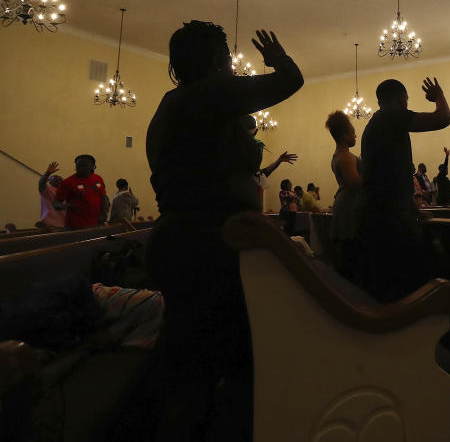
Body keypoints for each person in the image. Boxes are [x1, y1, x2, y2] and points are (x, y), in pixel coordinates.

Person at [146, 23, 303, 440]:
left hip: (180, 239)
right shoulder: (209, 93)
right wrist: (277, 58)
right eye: (227, 57)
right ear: (217, 60)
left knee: (190, 364)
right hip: (210, 245)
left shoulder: (171, 103)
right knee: (224, 365)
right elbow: (291, 80)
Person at [359, 78, 450, 302]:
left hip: (382, 214)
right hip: (389, 218)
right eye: (406, 99)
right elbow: (442, 119)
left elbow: (394, 176)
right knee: (403, 287)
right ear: (401, 98)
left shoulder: (378, 124)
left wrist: (415, 210)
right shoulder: (390, 118)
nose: (407, 103)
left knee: (394, 285)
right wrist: (439, 96)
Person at [326, 110, 362, 279]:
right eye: (353, 133)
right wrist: (374, 172)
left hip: (345, 202)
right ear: (344, 134)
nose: (356, 136)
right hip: (350, 205)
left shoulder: (338, 155)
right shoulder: (346, 156)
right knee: (351, 253)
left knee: (348, 252)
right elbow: (355, 183)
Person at [54, 155, 109, 229]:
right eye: (78, 165)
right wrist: (66, 206)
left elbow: (103, 197)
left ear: (92, 166)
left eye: (84, 166)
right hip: (75, 225)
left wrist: (104, 214)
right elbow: (56, 203)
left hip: (96, 223)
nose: (80, 168)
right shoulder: (67, 182)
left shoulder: (98, 178)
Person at [37, 161, 65, 230]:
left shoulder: (66, 192)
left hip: (65, 225)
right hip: (50, 225)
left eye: (61, 180)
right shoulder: (47, 190)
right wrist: (47, 174)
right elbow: (41, 183)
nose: (59, 182)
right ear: (50, 182)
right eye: (56, 180)